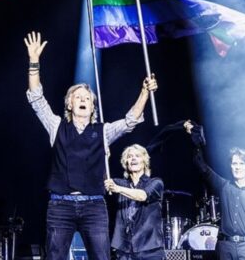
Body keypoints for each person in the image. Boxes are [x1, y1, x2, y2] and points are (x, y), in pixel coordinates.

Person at [24, 31, 158, 260]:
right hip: (60, 207)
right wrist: (34, 62)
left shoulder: (103, 131)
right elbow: (37, 99)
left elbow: (130, 121)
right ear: (69, 104)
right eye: (78, 97)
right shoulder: (56, 126)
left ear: (93, 105)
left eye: (87, 97)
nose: (83, 100)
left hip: (94, 207)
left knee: (101, 257)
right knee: (54, 257)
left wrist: (145, 92)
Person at [183, 121, 245, 260]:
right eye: (234, 163)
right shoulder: (224, 186)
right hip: (226, 248)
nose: (237, 167)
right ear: (231, 166)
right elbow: (202, 167)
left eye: (241, 163)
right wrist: (195, 139)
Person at [104, 144, 165, 260]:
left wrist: (118, 189)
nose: (133, 158)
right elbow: (103, 179)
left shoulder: (156, 183)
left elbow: (142, 195)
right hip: (123, 250)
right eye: (129, 156)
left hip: (149, 250)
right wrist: (103, 158)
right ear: (125, 162)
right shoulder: (120, 183)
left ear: (145, 162)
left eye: (137, 156)